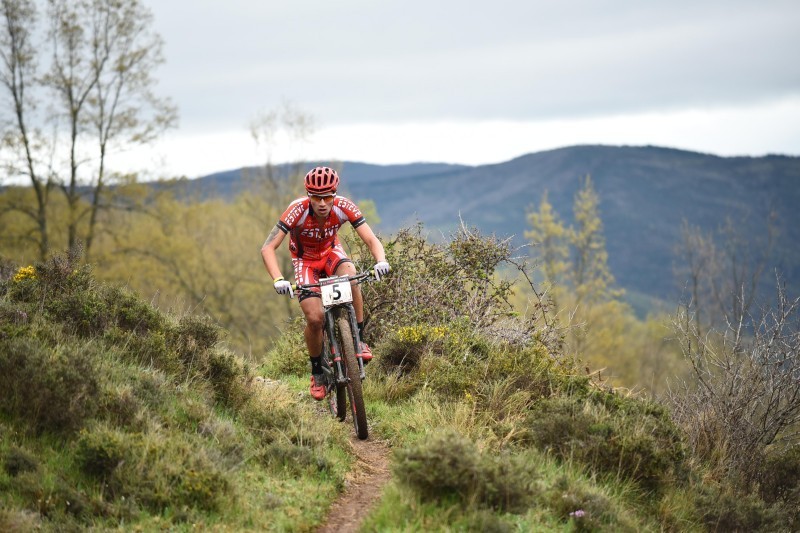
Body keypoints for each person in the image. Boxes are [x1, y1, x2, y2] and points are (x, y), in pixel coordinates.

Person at [261, 166, 390, 400]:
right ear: (308, 196)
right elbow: (268, 247)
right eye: (316, 197)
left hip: (331, 254)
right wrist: (279, 279)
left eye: (327, 197)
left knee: (351, 276)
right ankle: (317, 372)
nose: (322, 203)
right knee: (315, 318)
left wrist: (381, 261)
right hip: (305, 262)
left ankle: (358, 340)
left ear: (335, 194)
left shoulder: (344, 206)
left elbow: (371, 238)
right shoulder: (296, 210)